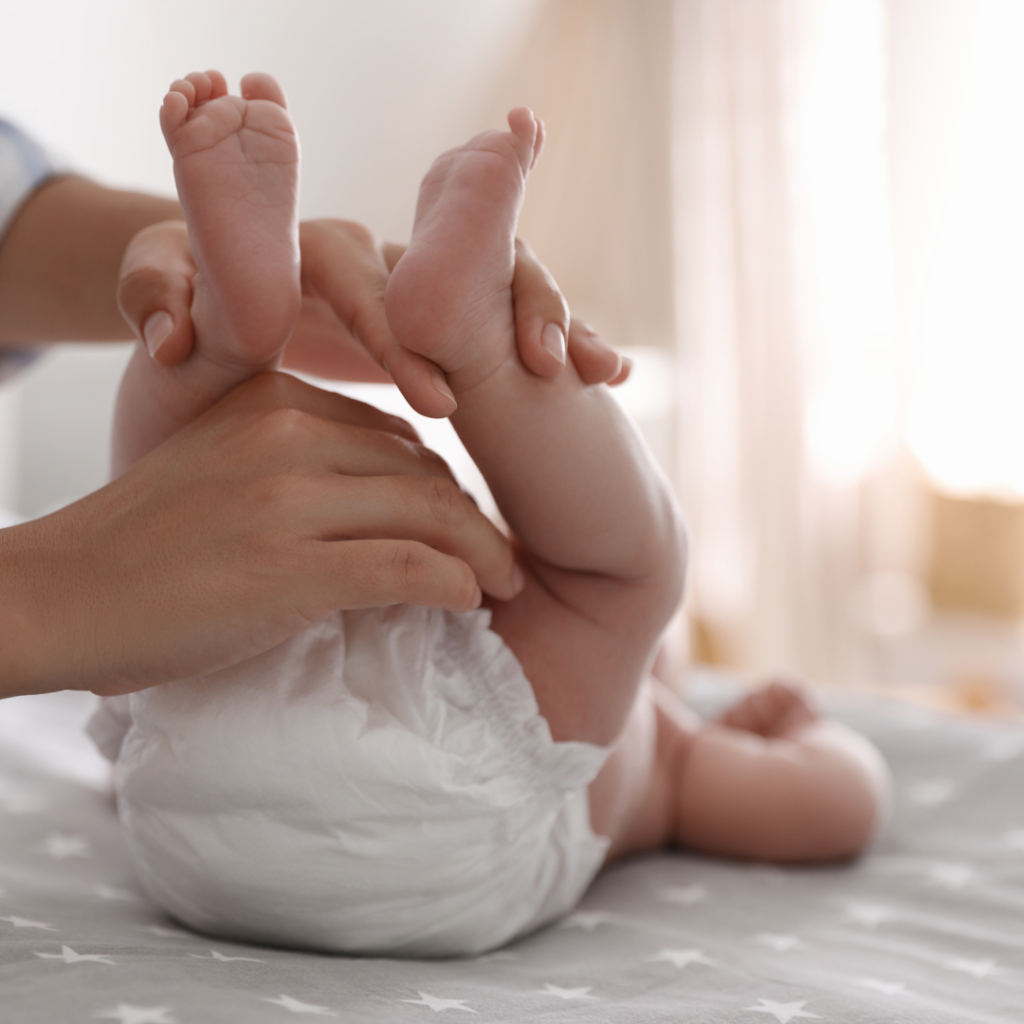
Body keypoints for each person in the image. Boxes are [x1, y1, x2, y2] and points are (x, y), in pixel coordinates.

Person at [93, 70, 891, 958]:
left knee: (170, 528)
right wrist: (812, 734)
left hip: (189, 809)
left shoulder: (658, 729)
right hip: (362, 833)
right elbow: (843, 806)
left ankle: (230, 334)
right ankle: (401, 342)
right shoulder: (668, 758)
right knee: (625, 583)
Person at [0, 108, 626, 700]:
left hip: (186, 697)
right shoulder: (669, 750)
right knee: (611, 588)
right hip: (201, 744)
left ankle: (230, 320)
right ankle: (467, 345)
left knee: (612, 581)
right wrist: (60, 585)